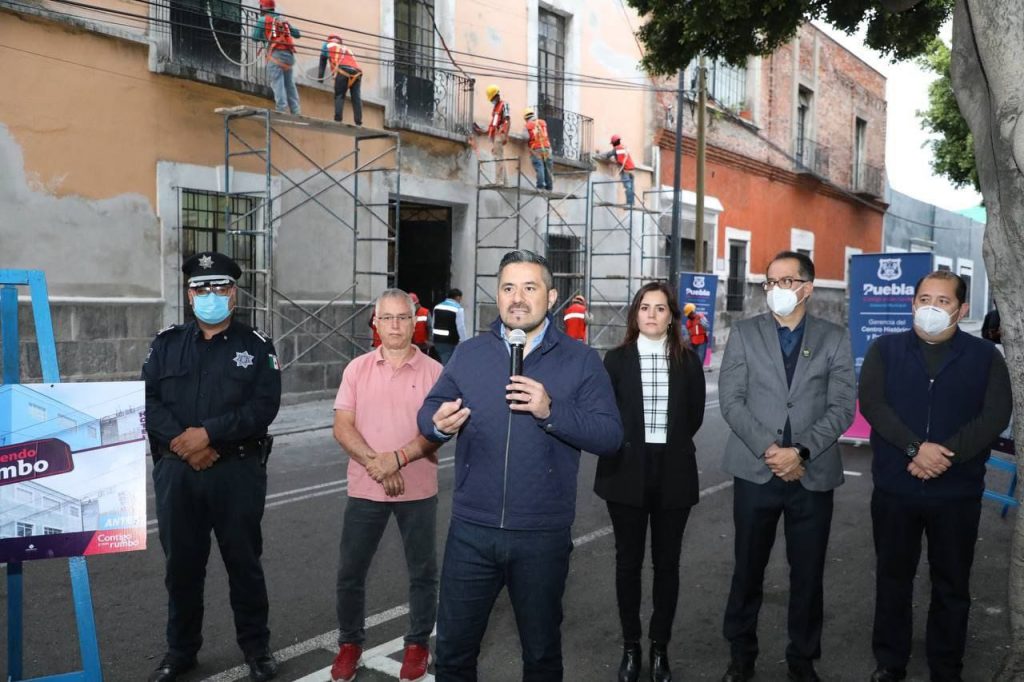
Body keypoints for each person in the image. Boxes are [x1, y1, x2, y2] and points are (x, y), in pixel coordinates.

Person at [417, 249, 623, 681]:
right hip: (471, 532)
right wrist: (435, 424)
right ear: (497, 295)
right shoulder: (470, 354)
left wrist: (552, 411)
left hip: (541, 536)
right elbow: (431, 408)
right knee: (452, 655)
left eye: (530, 288)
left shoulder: (581, 361)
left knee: (541, 656)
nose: (517, 298)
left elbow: (609, 436)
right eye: (508, 287)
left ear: (551, 298)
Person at [858, 270, 1011, 682]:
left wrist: (945, 455)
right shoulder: (885, 350)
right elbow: (873, 404)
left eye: (942, 301)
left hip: (955, 492)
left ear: (961, 310)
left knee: (952, 584)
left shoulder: (984, 357)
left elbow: (995, 414)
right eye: (924, 298)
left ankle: (946, 666)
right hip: (896, 488)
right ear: (911, 304)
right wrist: (914, 449)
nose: (931, 307)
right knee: (893, 579)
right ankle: (890, 662)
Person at [142, 251, 282, 682]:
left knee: (244, 564)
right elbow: (147, 402)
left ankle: (257, 649)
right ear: (189, 295)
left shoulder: (256, 346)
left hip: (236, 472)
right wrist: (188, 445)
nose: (210, 295)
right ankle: (180, 651)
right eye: (201, 288)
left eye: (219, 287)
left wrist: (210, 434)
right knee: (181, 568)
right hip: (177, 472)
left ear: (233, 295)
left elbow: (264, 407)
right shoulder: (165, 344)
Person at [717, 251, 856, 682]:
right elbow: (731, 401)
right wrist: (771, 450)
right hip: (757, 471)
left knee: (808, 574)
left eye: (785, 281)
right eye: (770, 282)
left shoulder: (834, 337)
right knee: (747, 570)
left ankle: (802, 658)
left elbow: (842, 406)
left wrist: (802, 452)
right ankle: (741, 657)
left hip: (812, 476)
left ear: (807, 288)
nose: (775, 289)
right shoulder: (744, 333)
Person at [328, 289, 444, 682]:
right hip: (366, 487)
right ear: (375, 323)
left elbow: (438, 432)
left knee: (423, 572)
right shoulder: (356, 370)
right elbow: (342, 427)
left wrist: (397, 460)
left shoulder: (434, 372)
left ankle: (417, 644)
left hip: (418, 488)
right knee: (350, 572)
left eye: (403, 318)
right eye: (388, 318)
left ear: (415, 322)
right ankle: (349, 643)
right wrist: (377, 464)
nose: (395, 325)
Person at [595, 282, 706, 682]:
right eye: (645, 308)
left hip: (673, 471)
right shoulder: (616, 360)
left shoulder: (688, 362)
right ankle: (631, 646)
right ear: (635, 314)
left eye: (661, 309)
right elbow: (606, 414)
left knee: (667, 565)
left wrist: (666, 445)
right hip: (625, 471)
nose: (652, 315)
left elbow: (692, 417)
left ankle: (660, 648)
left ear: (672, 316)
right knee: (628, 564)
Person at [252, 0, 301, 115]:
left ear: (262, 8)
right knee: (289, 84)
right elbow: (297, 34)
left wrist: (264, 36)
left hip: (276, 55)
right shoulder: (282, 20)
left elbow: (254, 37)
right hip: (289, 56)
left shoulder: (263, 20)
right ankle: (296, 110)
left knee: (277, 82)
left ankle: (281, 109)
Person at [317, 34, 363, 125]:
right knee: (356, 97)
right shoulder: (346, 49)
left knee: (339, 95)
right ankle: (358, 121)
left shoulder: (327, 45)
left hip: (342, 71)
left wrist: (320, 79)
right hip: (357, 73)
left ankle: (338, 119)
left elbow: (322, 62)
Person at [431, 288, 467, 365]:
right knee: (448, 364)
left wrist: (432, 337)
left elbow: (433, 323)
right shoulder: (458, 309)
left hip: (437, 340)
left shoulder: (437, 307)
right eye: (460, 299)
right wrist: (463, 340)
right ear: (457, 297)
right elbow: (460, 326)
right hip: (450, 341)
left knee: (442, 361)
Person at [482, 84, 510, 184]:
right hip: (496, 134)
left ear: (496, 96)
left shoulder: (503, 105)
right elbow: (494, 123)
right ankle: (505, 181)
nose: (492, 100)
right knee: (499, 156)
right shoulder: (495, 108)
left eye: (492, 98)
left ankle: (499, 181)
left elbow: (507, 120)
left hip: (500, 133)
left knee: (498, 157)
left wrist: (505, 135)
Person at [600, 135, 636, 206]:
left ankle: (629, 203)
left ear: (613, 142)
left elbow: (608, 155)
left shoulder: (617, 149)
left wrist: (599, 155)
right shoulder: (623, 147)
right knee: (631, 186)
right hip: (632, 169)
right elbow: (622, 158)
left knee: (627, 186)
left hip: (625, 170)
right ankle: (632, 202)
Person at [523, 107, 554, 190]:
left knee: (539, 166)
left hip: (536, 149)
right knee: (548, 167)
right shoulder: (543, 122)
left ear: (526, 118)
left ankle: (541, 185)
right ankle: (549, 186)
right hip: (547, 148)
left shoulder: (527, 125)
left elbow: (525, 137)